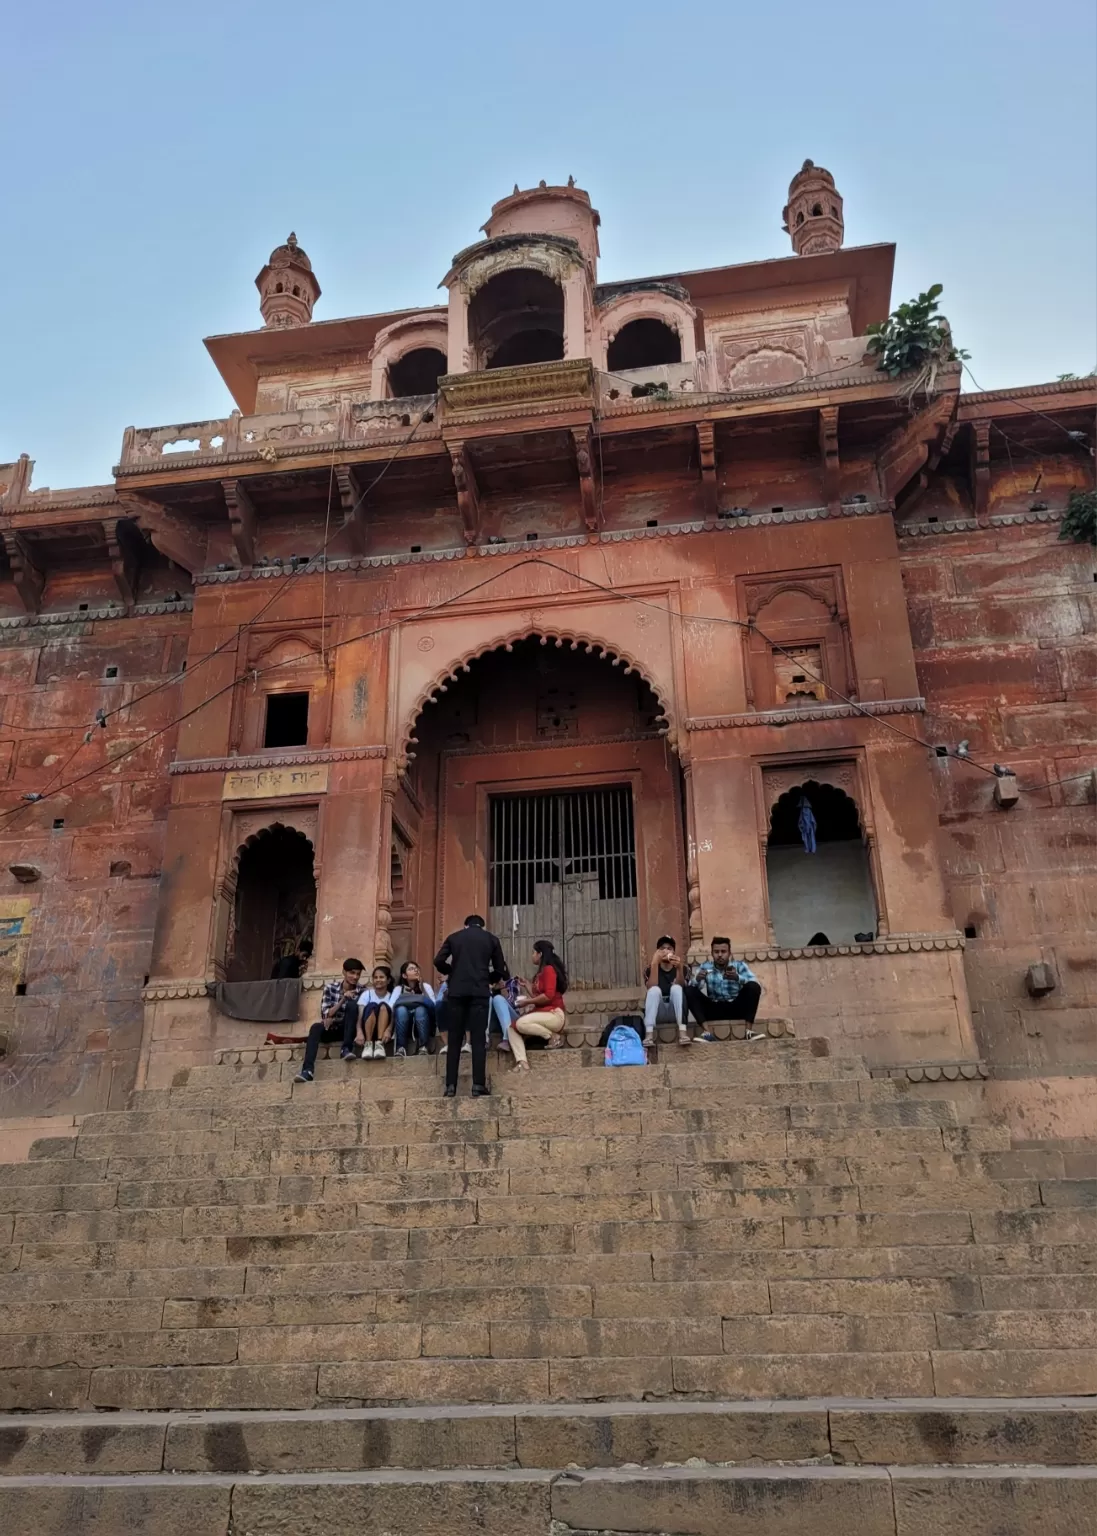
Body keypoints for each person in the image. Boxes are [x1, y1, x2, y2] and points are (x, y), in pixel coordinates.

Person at [434, 915, 507, 1097]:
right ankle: (478, 1085)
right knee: (478, 1039)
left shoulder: (454, 937)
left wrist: (452, 972)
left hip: (457, 992)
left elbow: (438, 961)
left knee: (455, 1040)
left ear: (465, 925)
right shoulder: (491, 939)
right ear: (482, 926)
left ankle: (450, 1086)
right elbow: (499, 969)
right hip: (479, 992)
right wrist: (487, 979)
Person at [294, 957, 364, 1082]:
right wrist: (343, 999)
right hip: (332, 1028)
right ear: (344, 972)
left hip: (350, 1029)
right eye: (352, 973)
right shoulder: (330, 988)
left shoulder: (363, 991)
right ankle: (307, 1070)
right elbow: (326, 1014)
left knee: (352, 1005)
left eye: (358, 974)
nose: (355, 977)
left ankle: (346, 1049)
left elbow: (360, 1015)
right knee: (315, 1027)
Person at [685, 937, 763, 1041]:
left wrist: (737, 978)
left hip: (736, 1007)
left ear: (729, 953)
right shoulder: (705, 966)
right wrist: (698, 979)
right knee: (688, 990)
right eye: (716, 952)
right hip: (714, 1008)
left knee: (753, 986)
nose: (720, 955)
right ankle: (707, 1033)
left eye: (723, 951)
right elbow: (694, 989)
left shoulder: (739, 966)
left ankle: (749, 1031)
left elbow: (756, 983)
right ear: (712, 953)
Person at [508, 940, 568, 1072]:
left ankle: (552, 1037)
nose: (532, 955)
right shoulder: (541, 973)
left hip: (554, 1015)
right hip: (542, 1014)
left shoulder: (549, 970)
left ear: (540, 954)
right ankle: (522, 1062)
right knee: (511, 1028)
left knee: (520, 1024)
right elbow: (538, 995)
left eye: (533, 952)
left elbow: (548, 996)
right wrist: (527, 984)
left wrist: (527, 1002)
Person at [644, 935, 687, 1047]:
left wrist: (679, 968)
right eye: (662, 948)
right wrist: (654, 963)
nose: (665, 951)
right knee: (654, 990)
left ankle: (683, 1034)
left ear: (674, 952)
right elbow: (650, 987)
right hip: (658, 1012)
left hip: (675, 1011)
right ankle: (648, 1036)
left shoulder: (683, 968)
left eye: (669, 948)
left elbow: (682, 987)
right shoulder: (650, 969)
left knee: (676, 988)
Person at [392, 961, 437, 1057]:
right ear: (404, 975)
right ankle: (401, 1047)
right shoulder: (398, 989)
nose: (415, 970)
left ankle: (423, 1046)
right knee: (401, 1010)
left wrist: (422, 989)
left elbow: (433, 1006)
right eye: (411, 969)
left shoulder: (426, 986)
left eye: (416, 968)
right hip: (404, 1024)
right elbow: (391, 1006)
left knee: (420, 1010)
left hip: (424, 1022)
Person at [357, 965, 396, 1058]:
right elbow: (360, 1016)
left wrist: (389, 1030)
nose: (378, 980)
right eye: (375, 977)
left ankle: (379, 1045)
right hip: (368, 1030)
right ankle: (368, 1045)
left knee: (383, 1006)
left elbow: (394, 1016)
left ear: (388, 980)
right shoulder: (367, 994)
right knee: (372, 1006)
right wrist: (359, 1032)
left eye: (381, 977)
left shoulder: (392, 996)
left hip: (384, 1033)